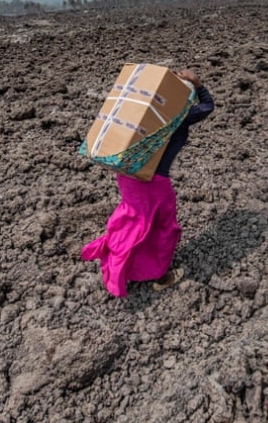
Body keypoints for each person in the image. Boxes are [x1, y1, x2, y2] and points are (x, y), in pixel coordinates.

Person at [81, 69, 215, 297]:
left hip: (127, 175)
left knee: (132, 219)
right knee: (163, 228)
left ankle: (119, 255)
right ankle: (159, 275)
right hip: (154, 182)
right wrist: (199, 85)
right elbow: (208, 107)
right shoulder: (178, 116)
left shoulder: (137, 114)